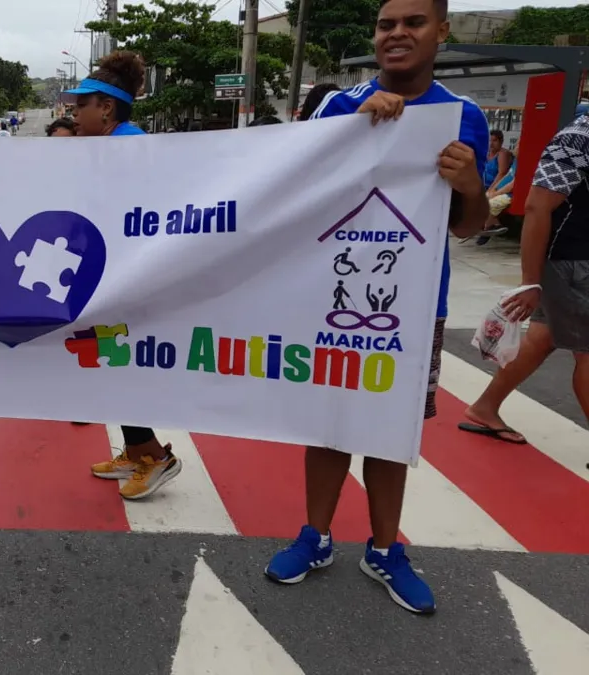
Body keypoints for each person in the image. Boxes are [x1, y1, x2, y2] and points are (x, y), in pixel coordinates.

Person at [264, 0, 490, 615]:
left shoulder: (464, 117)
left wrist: (469, 186)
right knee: (329, 422)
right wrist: (349, 136)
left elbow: (470, 228)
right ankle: (315, 537)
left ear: (441, 31)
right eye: (387, 24)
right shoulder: (338, 106)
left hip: (415, 306)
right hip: (331, 298)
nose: (397, 34)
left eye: (413, 23)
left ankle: (385, 549)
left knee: (392, 430)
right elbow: (293, 196)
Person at [60, 51, 181, 500]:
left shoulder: (127, 148)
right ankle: (136, 450)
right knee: (106, 363)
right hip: (107, 279)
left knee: (116, 365)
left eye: (81, 106)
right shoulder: (111, 146)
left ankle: (154, 456)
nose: (74, 114)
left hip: (123, 283)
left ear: (106, 108)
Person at [459, 113, 589, 445]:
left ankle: (485, 407)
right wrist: (530, 281)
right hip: (572, 262)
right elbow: (536, 206)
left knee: (542, 339)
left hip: (573, 263)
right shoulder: (579, 136)